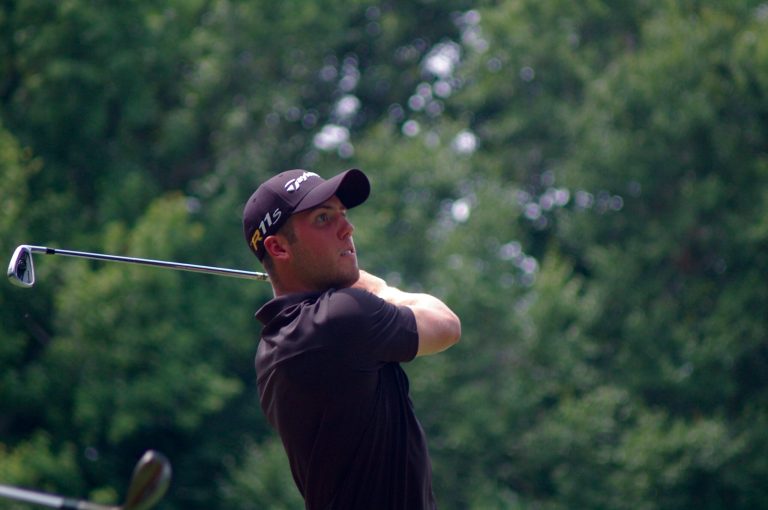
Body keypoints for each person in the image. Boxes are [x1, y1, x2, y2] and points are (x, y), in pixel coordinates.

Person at [242, 168, 461, 510]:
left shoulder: (273, 347)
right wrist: (377, 287)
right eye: (323, 218)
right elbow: (446, 324)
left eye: (342, 214)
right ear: (278, 247)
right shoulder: (341, 318)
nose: (347, 228)